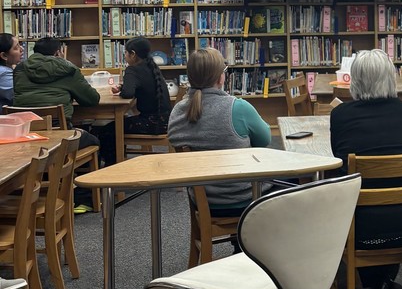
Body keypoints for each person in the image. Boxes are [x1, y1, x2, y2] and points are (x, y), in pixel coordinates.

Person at [330, 48, 402, 289]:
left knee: (357, 198)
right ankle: (383, 288)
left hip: (359, 229)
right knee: (388, 198)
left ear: (355, 81)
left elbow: (340, 166)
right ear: (390, 78)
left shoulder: (342, 116)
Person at [167, 47, 271, 216]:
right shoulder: (238, 107)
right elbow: (264, 139)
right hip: (245, 198)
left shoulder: (178, 111)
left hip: (203, 201)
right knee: (303, 182)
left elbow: (174, 141)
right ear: (220, 77)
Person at [13, 36, 100, 147]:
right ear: (58, 53)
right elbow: (92, 99)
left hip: (26, 135)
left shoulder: (19, 70)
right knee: (94, 141)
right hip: (61, 136)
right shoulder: (69, 70)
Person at [97, 36, 171, 166]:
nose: (124, 55)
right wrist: (122, 86)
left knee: (105, 131)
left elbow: (127, 94)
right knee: (117, 126)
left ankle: (112, 165)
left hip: (150, 124)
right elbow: (140, 86)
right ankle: (117, 160)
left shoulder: (132, 70)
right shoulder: (152, 67)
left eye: (125, 52)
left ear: (133, 54)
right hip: (165, 122)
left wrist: (122, 88)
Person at [0, 33, 24, 108]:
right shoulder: (4, 73)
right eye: (16, 47)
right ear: (4, 56)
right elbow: (20, 95)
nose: (22, 49)